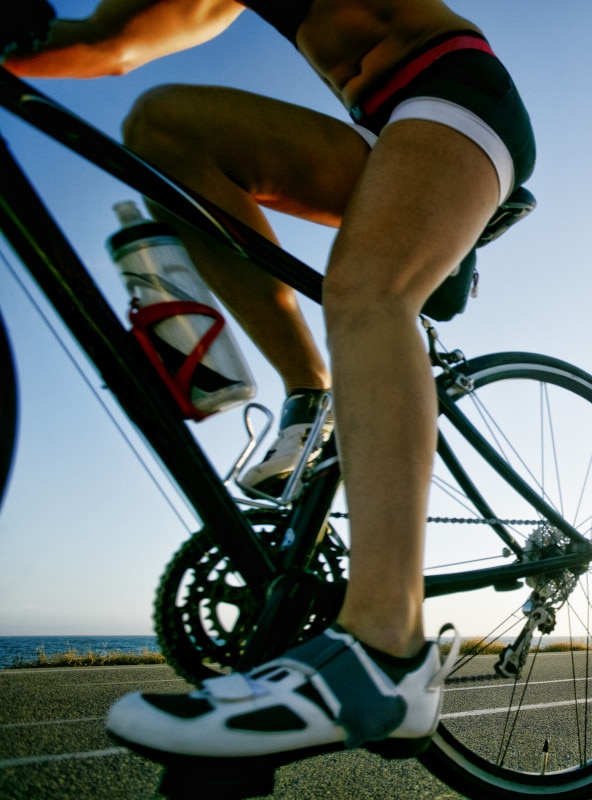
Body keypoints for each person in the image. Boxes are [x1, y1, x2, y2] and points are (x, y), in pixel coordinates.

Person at [4, 0, 535, 767]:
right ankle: (309, 390)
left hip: (459, 96)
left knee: (367, 290)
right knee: (162, 127)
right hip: (378, 128)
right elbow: (107, 43)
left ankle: (389, 653)